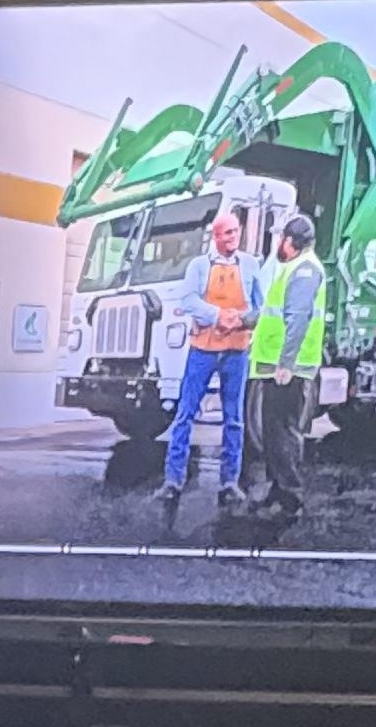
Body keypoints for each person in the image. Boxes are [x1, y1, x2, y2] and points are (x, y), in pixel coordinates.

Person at [158, 209, 254, 520]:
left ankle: (230, 482)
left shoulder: (250, 265)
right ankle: (173, 480)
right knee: (185, 414)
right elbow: (188, 300)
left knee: (235, 418)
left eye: (236, 232)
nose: (233, 238)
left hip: (237, 351)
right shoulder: (199, 266)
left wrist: (240, 319)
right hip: (203, 350)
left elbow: (261, 305)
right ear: (215, 236)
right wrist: (217, 316)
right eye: (227, 233)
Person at [246, 211, 327, 530]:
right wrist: (244, 319)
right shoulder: (294, 267)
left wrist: (285, 364)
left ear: (293, 242)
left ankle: (290, 499)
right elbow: (273, 313)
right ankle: (278, 490)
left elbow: (297, 320)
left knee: (286, 432)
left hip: (288, 369)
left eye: (283, 238)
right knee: (273, 433)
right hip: (274, 366)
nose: (280, 243)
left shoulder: (306, 270)